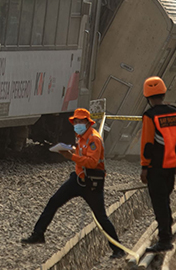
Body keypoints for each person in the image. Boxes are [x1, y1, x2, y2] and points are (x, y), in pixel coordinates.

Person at [22, 108, 125, 257]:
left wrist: (71, 156)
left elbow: (92, 162)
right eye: (75, 121)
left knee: (101, 216)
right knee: (54, 201)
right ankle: (38, 234)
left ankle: (118, 249)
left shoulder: (94, 139)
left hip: (92, 183)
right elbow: (82, 154)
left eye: (80, 121)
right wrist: (72, 151)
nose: (77, 124)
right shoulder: (80, 136)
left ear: (87, 122)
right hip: (78, 179)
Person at [139, 76, 176, 253]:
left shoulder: (149, 116)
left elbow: (147, 144)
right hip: (171, 166)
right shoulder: (175, 112)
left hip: (156, 168)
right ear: (164, 93)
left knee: (160, 204)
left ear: (147, 97)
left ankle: (165, 240)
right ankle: (167, 233)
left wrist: (144, 167)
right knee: (165, 201)